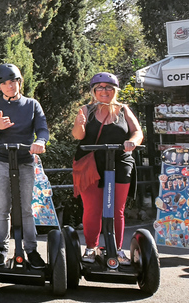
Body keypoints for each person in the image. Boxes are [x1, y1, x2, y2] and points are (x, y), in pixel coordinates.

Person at [0, 63, 48, 269]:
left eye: (14, 82)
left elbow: (43, 129)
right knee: (2, 208)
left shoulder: (32, 105)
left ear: (20, 82)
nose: (11, 86)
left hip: (25, 161)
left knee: (26, 209)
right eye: (6, 83)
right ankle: (1, 249)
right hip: (0, 161)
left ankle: (31, 250)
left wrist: (40, 142)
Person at [72, 72, 143, 266]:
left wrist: (132, 141)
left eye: (109, 87)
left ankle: (116, 249)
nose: (105, 91)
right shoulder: (86, 110)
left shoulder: (123, 110)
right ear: (94, 91)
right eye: (100, 87)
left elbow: (137, 131)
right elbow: (78, 136)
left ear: (115, 90)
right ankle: (90, 247)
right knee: (93, 208)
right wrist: (79, 125)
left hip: (120, 162)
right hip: (91, 164)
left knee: (116, 210)